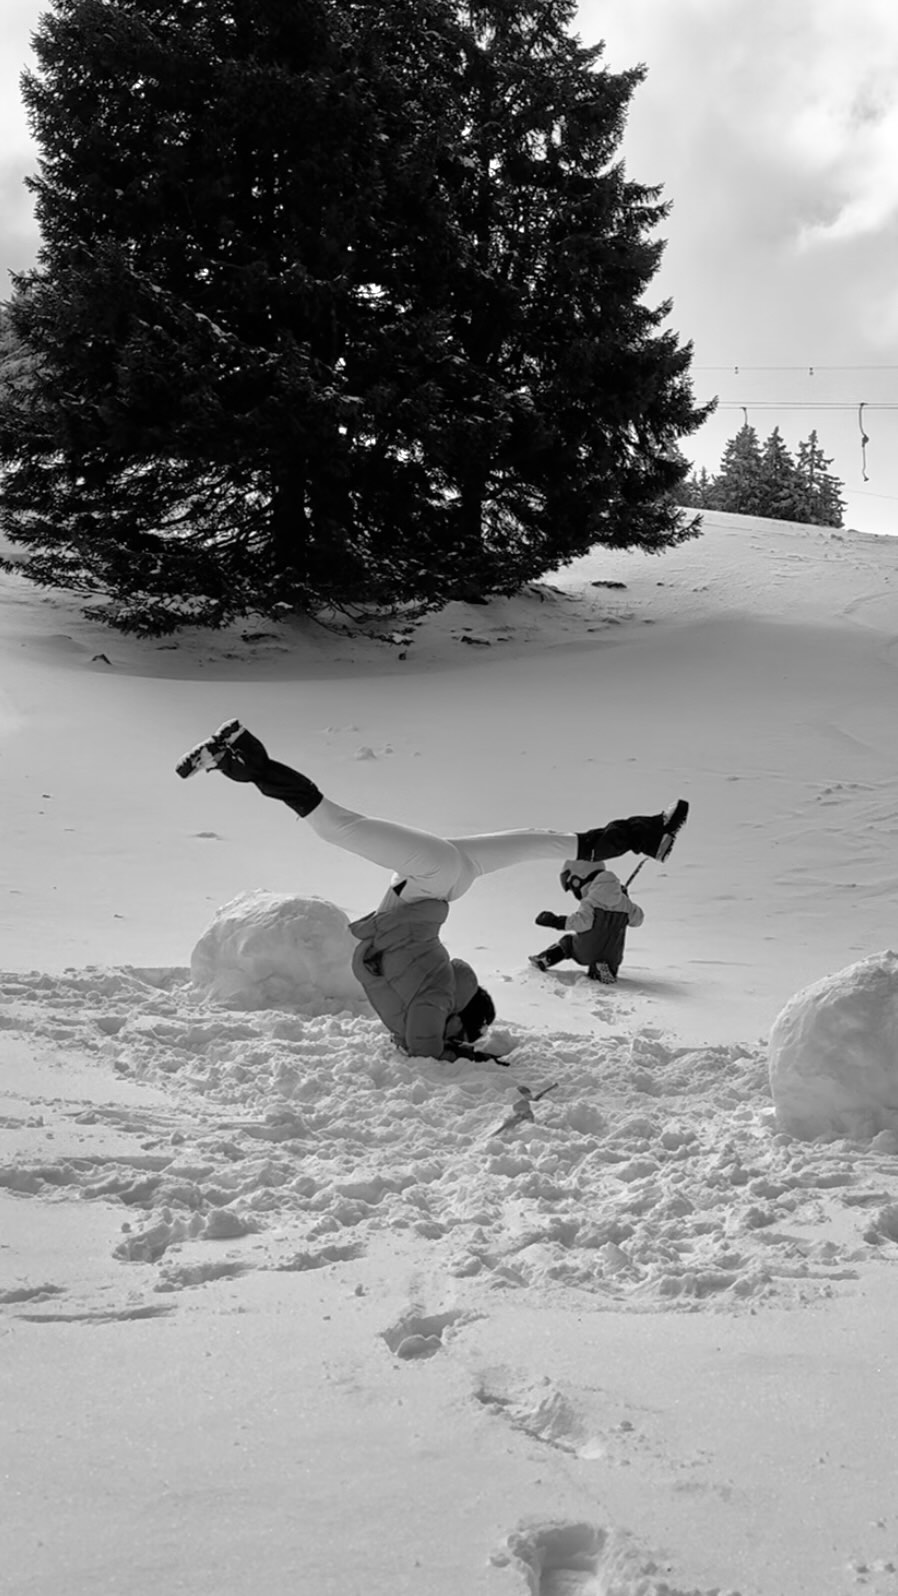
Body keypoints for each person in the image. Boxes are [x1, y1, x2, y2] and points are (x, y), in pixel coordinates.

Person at [176, 720, 688, 1061]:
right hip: (432, 880)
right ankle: (240, 755)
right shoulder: (432, 997)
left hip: (450, 882)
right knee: (337, 824)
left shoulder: (437, 981)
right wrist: (458, 1049)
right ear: (458, 1020)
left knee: (546, 842)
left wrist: (459, 1032)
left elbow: (441, 990)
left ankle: (649, 833)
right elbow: (423, 1039)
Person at [529, 860, 645, 984]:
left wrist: (556, 921)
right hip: (613, 956)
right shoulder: (624, 903)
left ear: (579, 879)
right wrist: (627, 900)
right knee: (608, 959)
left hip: (586, 951)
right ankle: (603, 971)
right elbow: (638, 920)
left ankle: (546, 959)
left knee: (568, 942)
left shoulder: (590, 901)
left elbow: (582, 922)